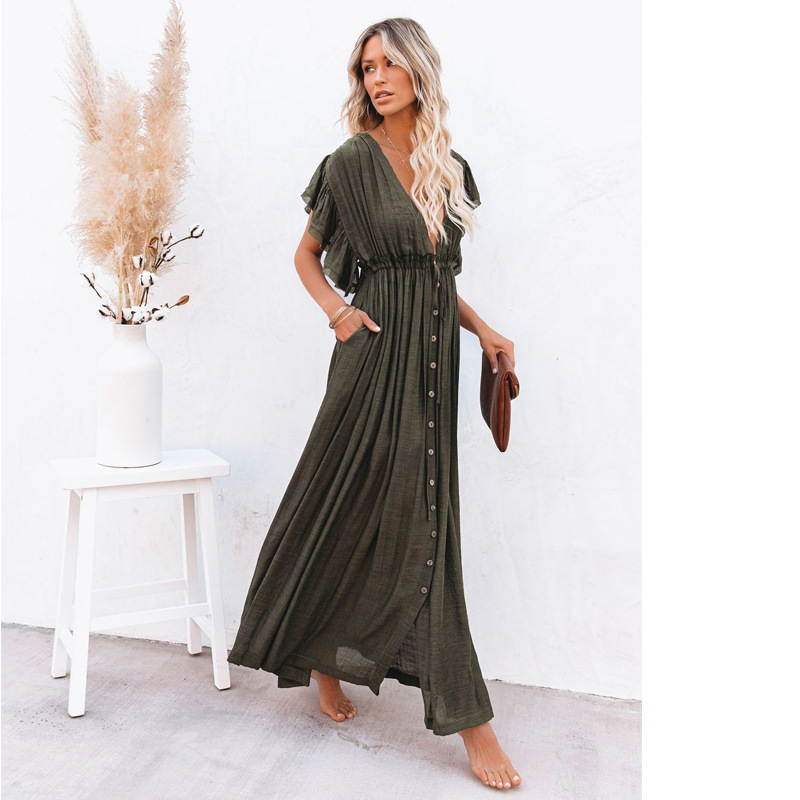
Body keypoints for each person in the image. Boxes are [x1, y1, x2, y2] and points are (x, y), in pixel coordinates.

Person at [227, 17, 520, 791]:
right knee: (342, 506)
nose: (377, 79)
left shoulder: (448, 167)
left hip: (434, 370)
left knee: (426, 520)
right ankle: (452, 713)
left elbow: (436, 278)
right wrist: (338, 312)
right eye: (366, 68)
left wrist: (486, 331)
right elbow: (306, 256)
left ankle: (359, 666)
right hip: (372, 359)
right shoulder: (350, 164)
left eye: (390, 64)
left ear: (419, 70)